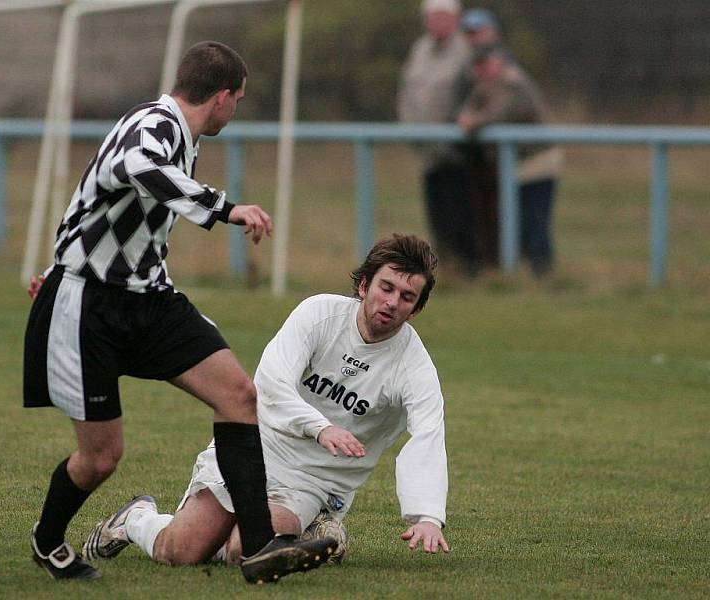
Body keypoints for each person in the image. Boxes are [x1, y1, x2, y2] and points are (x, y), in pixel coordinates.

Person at [23, 40, 336, 584]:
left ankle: (260, 547)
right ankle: (48, 540)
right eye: (237, 99)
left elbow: (101, 208)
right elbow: (134, 166)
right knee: (101, 458)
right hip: (89, 306)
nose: (234, 110)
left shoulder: (183, 139)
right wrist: (226, 208)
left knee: (239, 396)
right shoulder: (155, 123)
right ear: (221, 97)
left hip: (149, 300)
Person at [81, 234, 450, 568]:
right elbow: (271, 385)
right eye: (386, 287)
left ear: (416, 309)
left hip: (314, 480)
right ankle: (136, 518)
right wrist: (320, 428)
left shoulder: (413, 366)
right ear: (364, 285)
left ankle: (313, 524)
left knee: (247, 550)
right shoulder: (318, 315)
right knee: (180, 552)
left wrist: (428, 516)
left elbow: (428, 432)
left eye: (406, 297)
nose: (392, 302)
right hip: (257, 447)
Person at [456, 44, 563, 276]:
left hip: (537, 162)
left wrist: (474, 121)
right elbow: (466, 112)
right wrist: (468, 117)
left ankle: (543, 274)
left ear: (499, 61)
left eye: (486, 64)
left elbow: (504, 112)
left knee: (534, 222)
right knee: (517, 224)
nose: (482, 70)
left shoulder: (514, 81)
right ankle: (525, 274)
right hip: (515, 166)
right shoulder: (484, 86)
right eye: (478, 66)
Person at [397, 0, 478, 276]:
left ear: (455, 19)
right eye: (432, 17)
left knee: (463, 214)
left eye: (442, 17)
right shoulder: (419, 50)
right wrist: (411, 129)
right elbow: (407, 93)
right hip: (429, 151)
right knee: (437, 214)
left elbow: (475, 94)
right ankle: (446, 268)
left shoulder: (467, 50)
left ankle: (470, 271)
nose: (436, 22)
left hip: (460, 152)